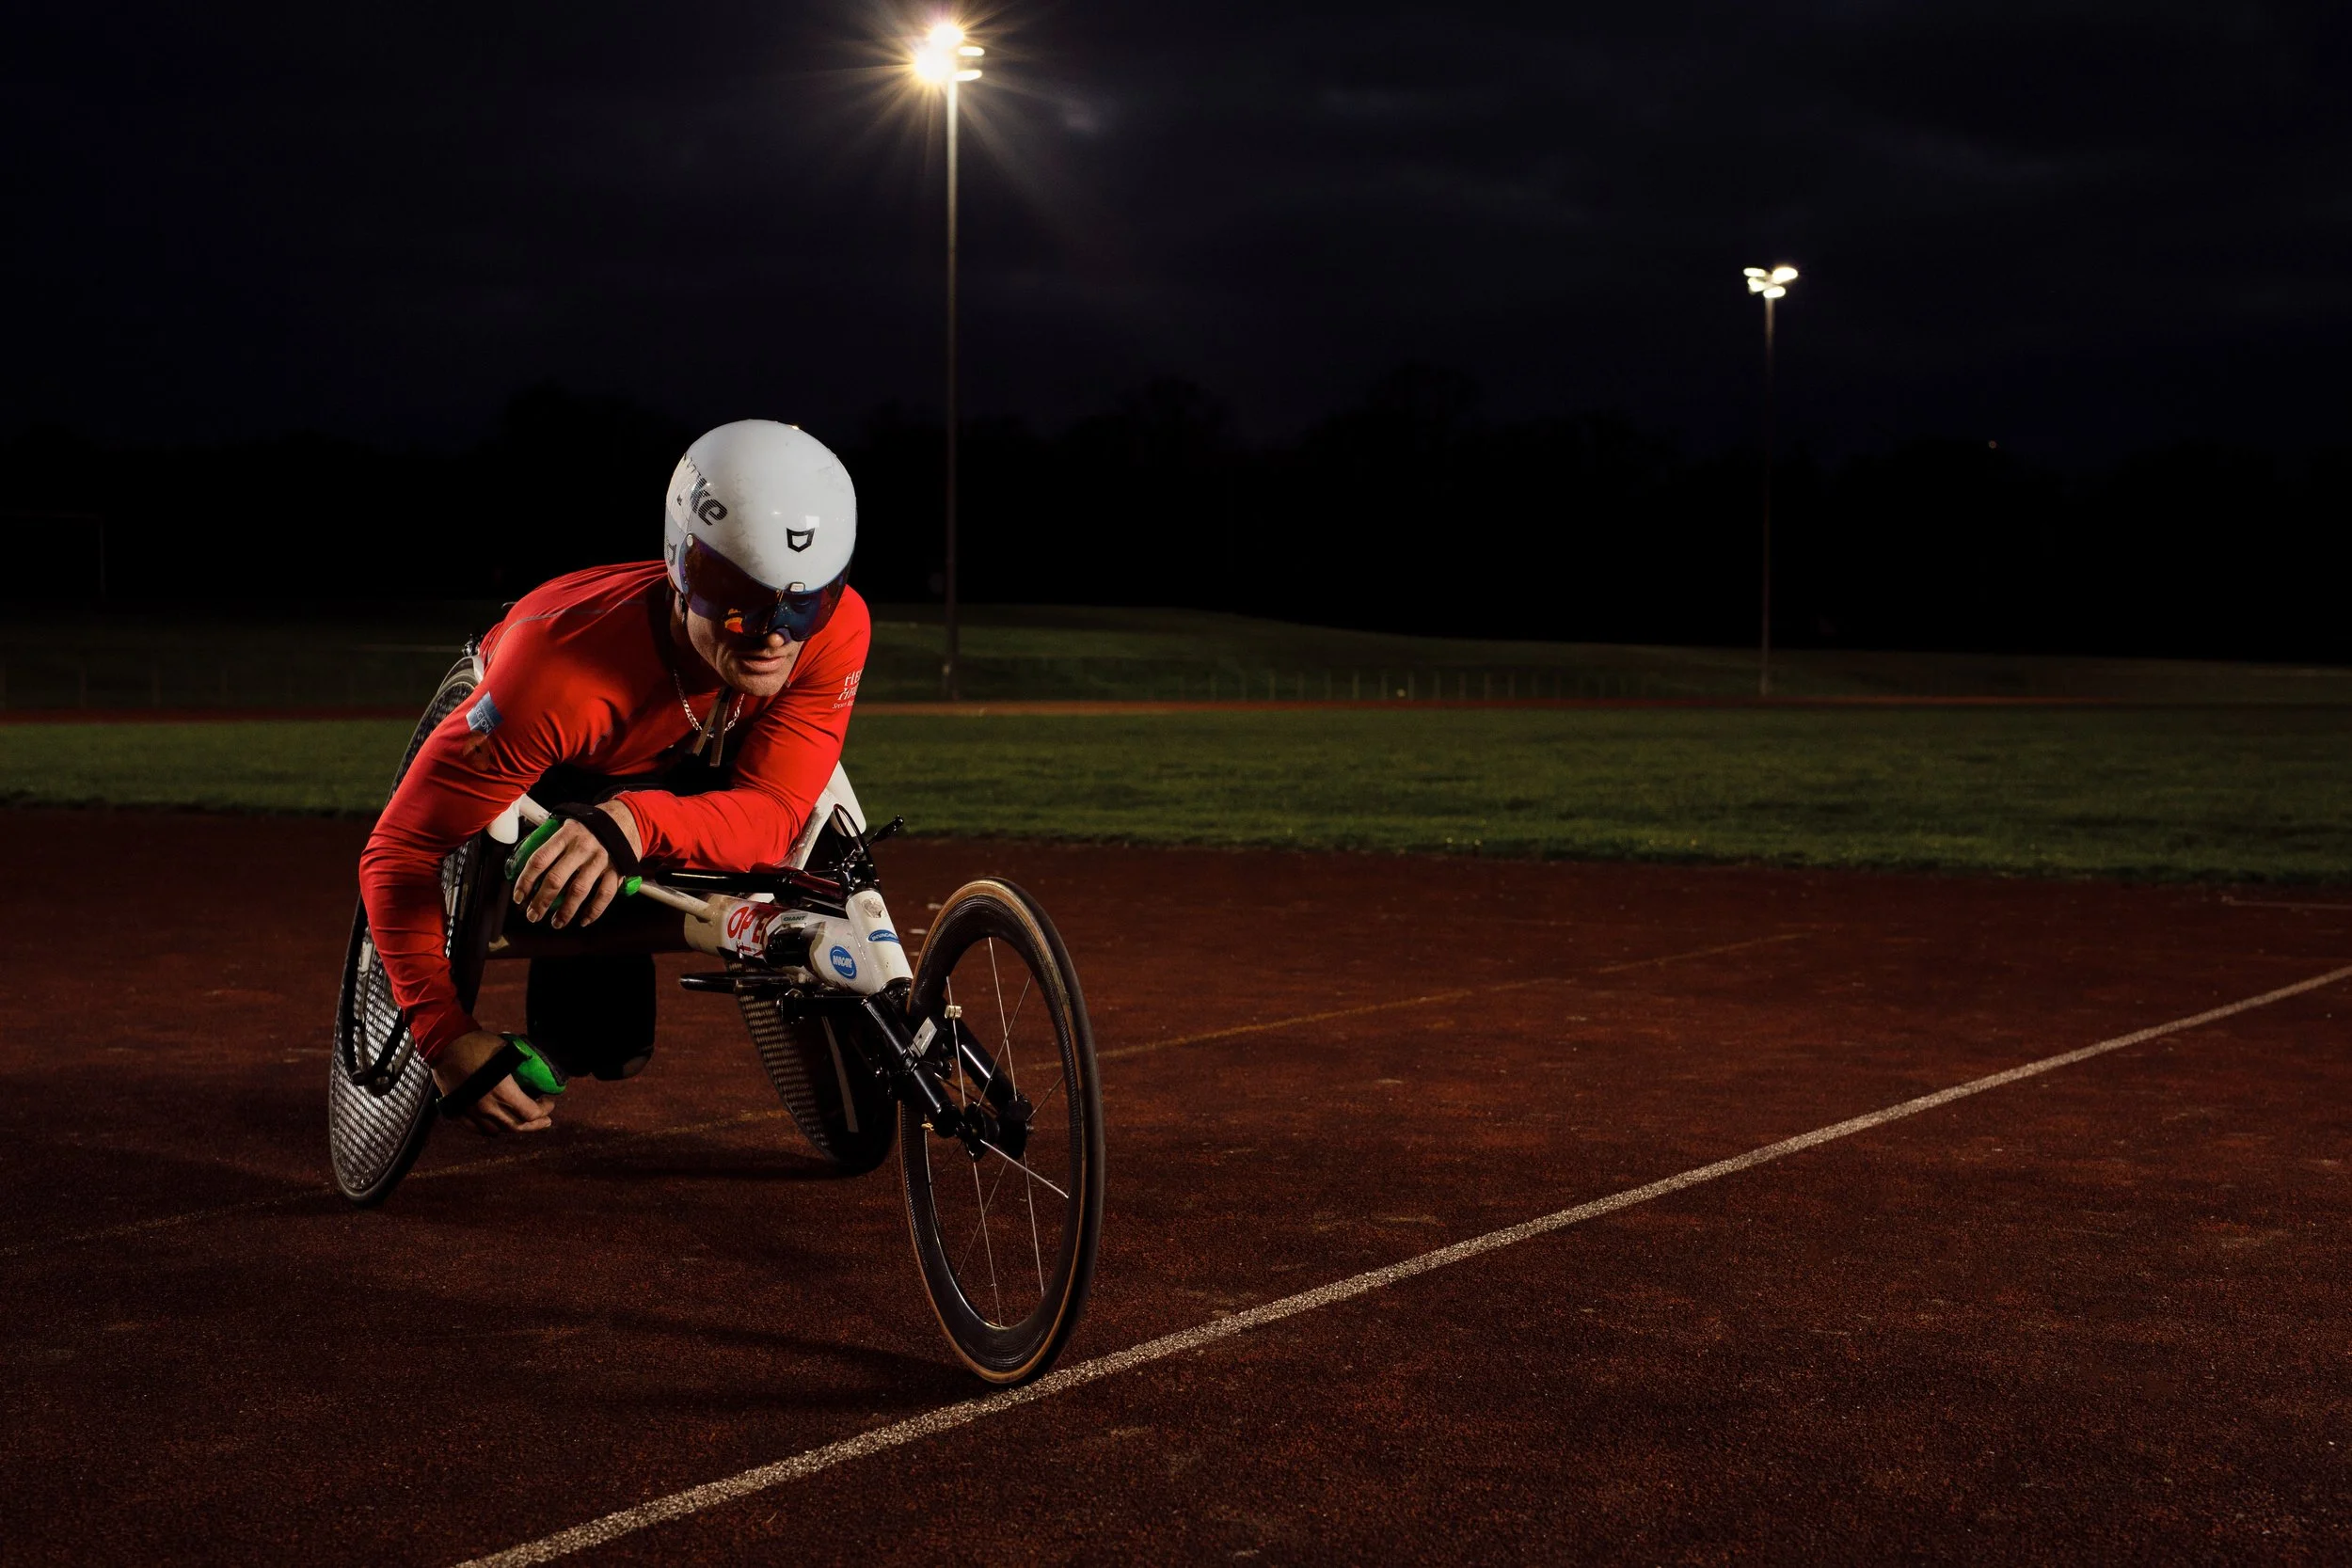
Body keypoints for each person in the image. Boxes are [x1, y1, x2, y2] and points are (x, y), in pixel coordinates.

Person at [357, 419, 870, 1135]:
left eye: (802, 602)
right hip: (561, 773)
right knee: (601, 1045)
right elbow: (398, 852)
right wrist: (444, 1040)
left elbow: (776, 810)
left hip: (670, 770)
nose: (774, 634)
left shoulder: (837, 629)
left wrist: (633, 820)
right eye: (737, 598)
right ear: (682, 568)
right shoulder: (550, 678)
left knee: (826, 838)